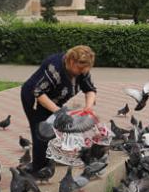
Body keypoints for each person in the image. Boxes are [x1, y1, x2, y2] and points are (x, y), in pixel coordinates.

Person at [21, 45, 98, 174]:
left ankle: (48, 161)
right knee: (41, 132)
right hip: (34, 98)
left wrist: (88, 108)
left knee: (55, 130)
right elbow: (39, 92)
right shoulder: (55, 68)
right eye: (80, 68)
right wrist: (58, 111)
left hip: (54, 99)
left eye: (86, 68)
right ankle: (38, 170)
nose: (83, 71)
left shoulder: (81, 70)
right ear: (72, 62)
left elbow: (90, 89)